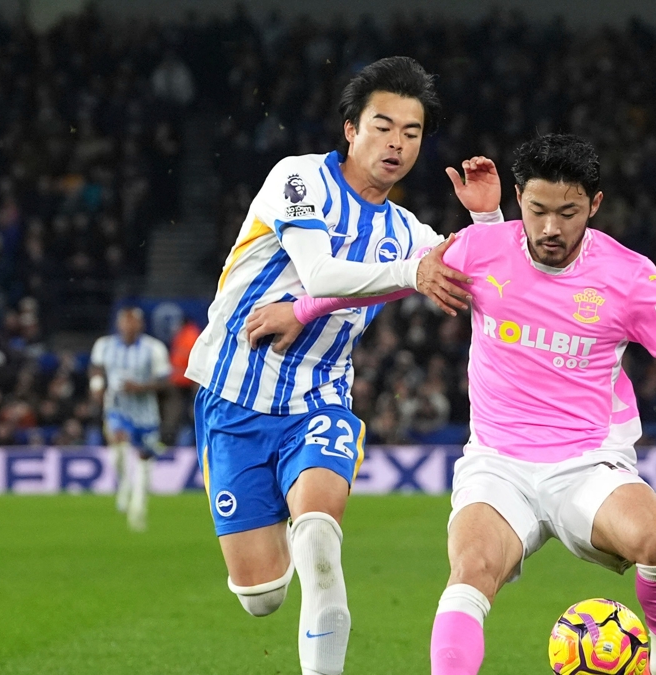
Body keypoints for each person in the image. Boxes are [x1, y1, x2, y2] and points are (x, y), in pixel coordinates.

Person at [248, 134, 656, 675]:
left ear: (595, 205)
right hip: (497, 465)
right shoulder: (480, 248)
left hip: (589, 462)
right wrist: (301, 310)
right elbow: (394, 282)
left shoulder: (630, 275)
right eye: (538, 210)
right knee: (470, 571)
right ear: (519, 198)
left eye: (567, 213)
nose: (550, 227)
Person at [184, 56, 502, 675]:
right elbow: (322, 272)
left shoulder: (407, 231)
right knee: (261, 596)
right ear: (351, 129)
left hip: (320, 399)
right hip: (233, 395)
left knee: (319, 535)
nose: (396, 143)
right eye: (383, 127)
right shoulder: (299, 178)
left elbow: (490, 277)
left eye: (411, 133)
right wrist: (412, 274)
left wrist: (486, 219)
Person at [89, 307, 171, 532]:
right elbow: (96, 368)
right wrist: (96, 386)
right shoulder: (104, 345)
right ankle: (124, 485)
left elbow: (165, 381)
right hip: (117, 407)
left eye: (132, 322)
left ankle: (138, 505)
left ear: (140, 325)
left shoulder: (154, 348)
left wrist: (140, 387)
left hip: (145, 413)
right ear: (119, 324)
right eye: (125, 322)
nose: (128, 326)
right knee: (119, 445)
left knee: (145, 459)